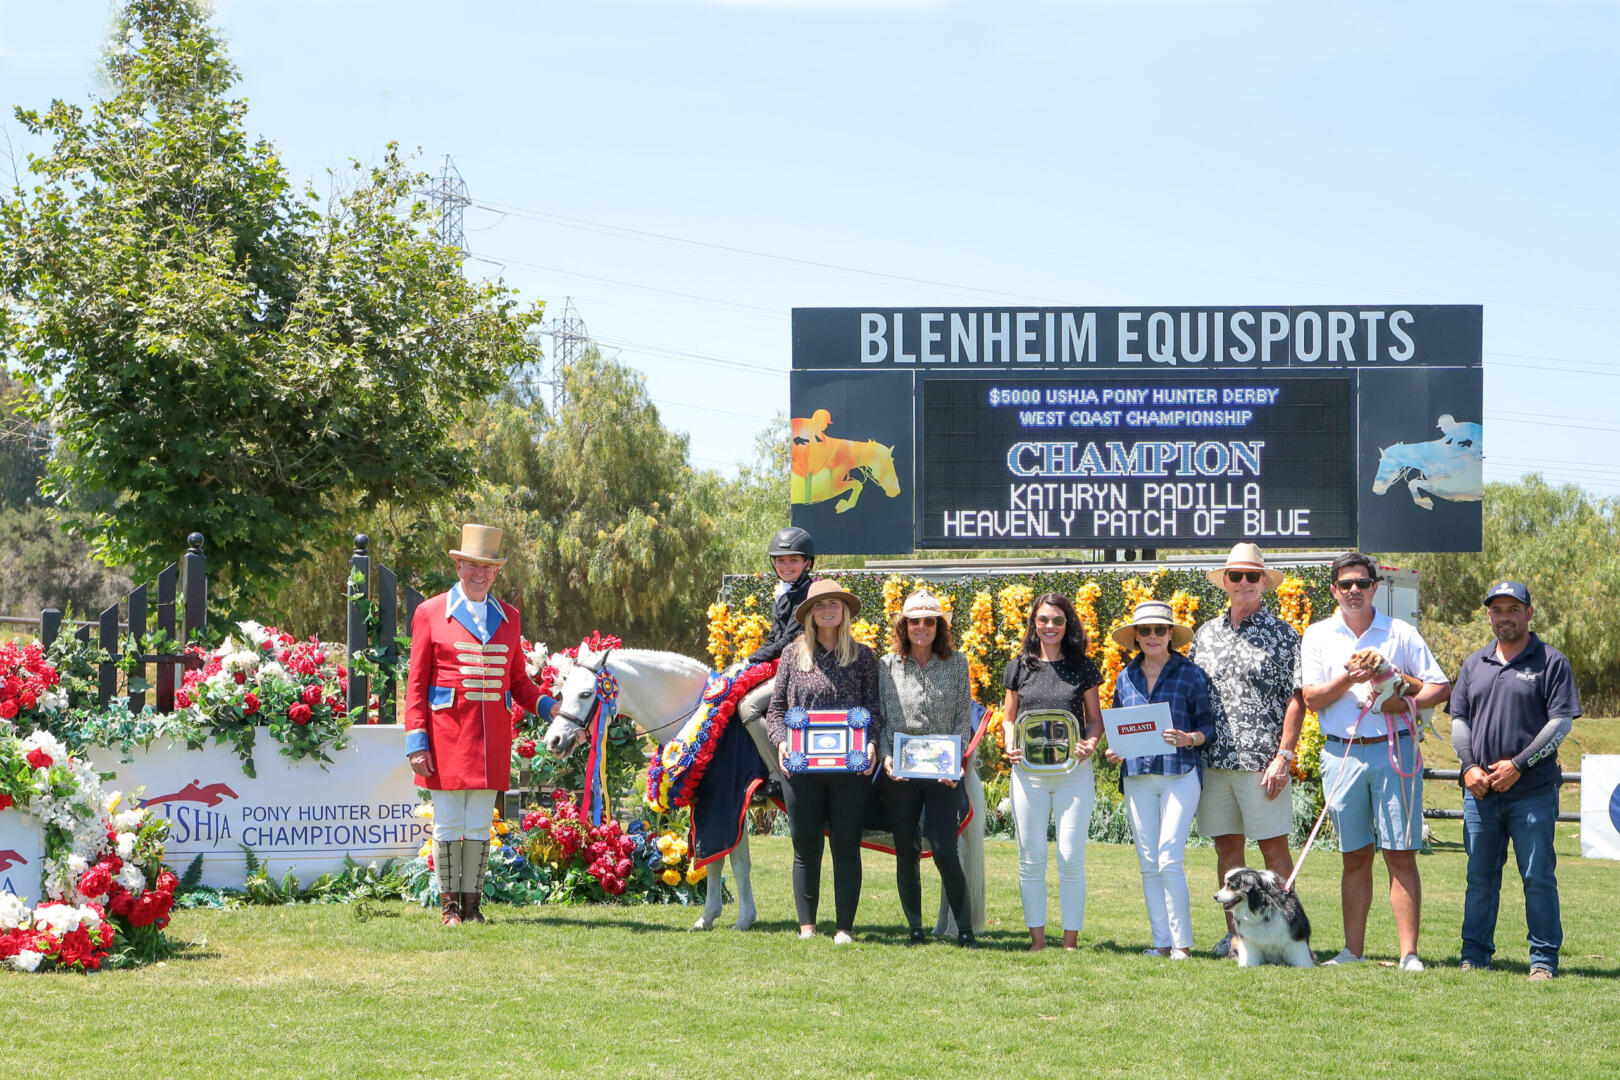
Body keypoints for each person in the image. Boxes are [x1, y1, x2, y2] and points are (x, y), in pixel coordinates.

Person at [404, 524, 559, 927]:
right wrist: (416, 742)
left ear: (496, 572)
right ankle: (449, 908)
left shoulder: (509, 617)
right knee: (449, 823)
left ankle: (473, 907)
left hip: (492, 738)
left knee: (478, 824)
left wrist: (549, 707)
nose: (479, 573)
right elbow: (416, 683)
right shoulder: (430, 612)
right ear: (458, 565)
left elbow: (518, 682)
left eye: (487, 567)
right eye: (472, 565)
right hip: (445, 737)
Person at [1302, 552, 1449, 970]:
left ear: (1374, 588)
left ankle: (1409, 955)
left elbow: (1440, 687)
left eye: (1362, 584)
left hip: (1394, 747)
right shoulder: (1317, 635)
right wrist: (1349, 676)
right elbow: (1312, 698)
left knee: (1400, 853)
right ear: (1334, 589)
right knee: (1355, 855)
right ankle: (1352, 951)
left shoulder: (1399, 632)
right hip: (1341, 753)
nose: (1353, 591)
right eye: (1345, 584)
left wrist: (1401, 703)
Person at [1449, 581, 1580, 981]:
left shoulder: (1551, 661)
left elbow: (1559, 724)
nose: (1504, 616)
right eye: (1496, 610)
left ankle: (1542, 960)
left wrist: (1519, 765)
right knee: (1479, 879)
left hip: (1533, 792)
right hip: (1481, 792)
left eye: (1512, 608)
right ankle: (1475, 956)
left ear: (1529, 613)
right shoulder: (1476, 663)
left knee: (1537, 877)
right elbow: (1459, 720)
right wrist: (1470, 766)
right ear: (1488, 614)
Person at [1190, 542, 1305, 959]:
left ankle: (1290, 936)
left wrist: (1284, 755)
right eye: (1235, 576)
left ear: (1263, 582)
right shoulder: (1206, 634)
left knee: (1274, 850)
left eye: (1251, 576)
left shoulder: (1284, 634)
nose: (1243, 583)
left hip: (1263, 764)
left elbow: (1298, 697)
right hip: (1215, 762)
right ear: (1225, 581)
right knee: (1227, 851)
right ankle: (1238, 938)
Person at [765, 578, 884, 945]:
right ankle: (807, 927)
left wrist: (873, 743)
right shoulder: (791, 655)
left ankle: (845, 928)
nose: (827, 610)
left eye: (834, 604)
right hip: (802, 768)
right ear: (810, 614)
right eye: (820, 605)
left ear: (844, 611)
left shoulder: (864, 656)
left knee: (846, 845)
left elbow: (874, 710)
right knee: (805, 846)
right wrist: (782, 742)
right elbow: (776, 710)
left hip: (850, 769)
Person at [1106, 600, 1215, 960]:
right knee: (1148, 860)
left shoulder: (1190, 673)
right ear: (1135, 637)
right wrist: (1115, 750)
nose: (1152, 636)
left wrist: (1190, 738)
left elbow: (1208, 728)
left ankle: (1182, 944)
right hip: (1138, 775)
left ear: (1171, 634)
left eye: (1159, 630)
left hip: (1179, 773)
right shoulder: (1125, 677)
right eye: (1145, 630)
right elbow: (1122, 730)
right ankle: (1161, 943)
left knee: (1169, 857)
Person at [1000, 592, 1104, 952]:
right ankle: (1037, 942)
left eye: (1057, 620)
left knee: (1070, 857)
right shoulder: (1018, 667)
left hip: (1073, 773)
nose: (1050, 626)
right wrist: (1009, 742)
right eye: (1043, 619)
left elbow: (1094, 721)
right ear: (1034, 623)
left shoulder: (1083, 667)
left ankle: (1070, 943)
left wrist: (1090, 744)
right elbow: (1009, 717)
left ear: (1067, 624)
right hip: (1027, 775)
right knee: (1030, 858)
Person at [878, 589, 976, 948]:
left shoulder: (957, 663)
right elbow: (883, 720)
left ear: (939, 626)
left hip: (943, 774)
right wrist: (887, 756)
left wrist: (955, 762)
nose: (922, 626)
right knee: (905, 848)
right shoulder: (886, 665)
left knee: (944, 849)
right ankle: (915, 928)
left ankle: (964, 929)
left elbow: (963, 719)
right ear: (904, 626)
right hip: (901, 774)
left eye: (929, 621)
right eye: (915, 620)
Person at [737, 527, 817, 796]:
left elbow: (789, 641)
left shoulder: (809, 594)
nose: (786, 566)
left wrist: (751, 658)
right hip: (785, 668)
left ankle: (776, 774)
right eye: (781, 561)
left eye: (793, 560)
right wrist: (747, 663)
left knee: (748, 707)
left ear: (807, 562)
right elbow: (773, 637)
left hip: (806, 671)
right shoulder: (784, 593)